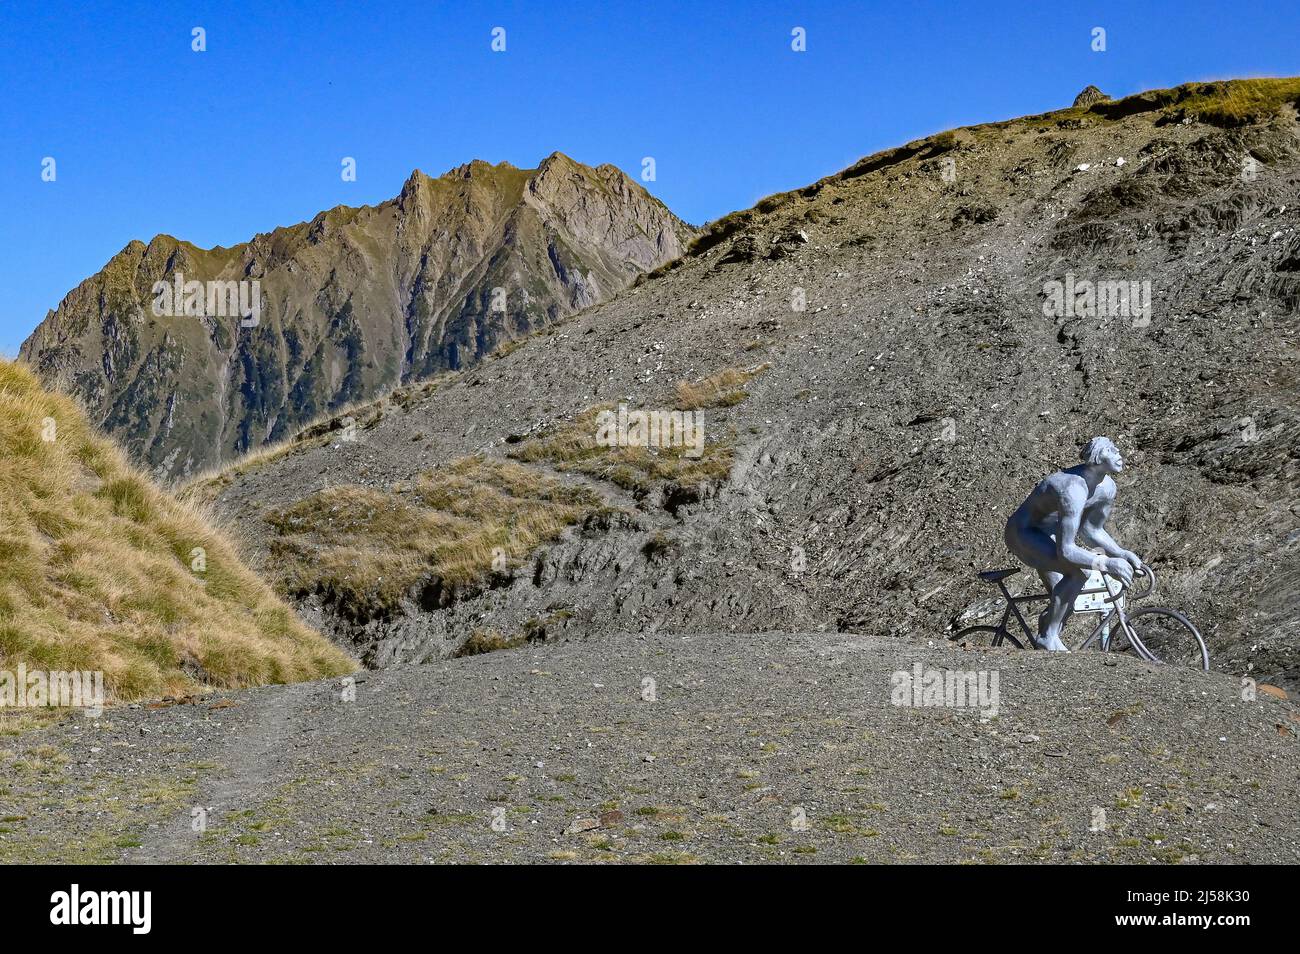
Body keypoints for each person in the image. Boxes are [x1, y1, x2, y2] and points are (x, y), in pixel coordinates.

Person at [1004, 437, 1143, 651]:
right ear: (1096, 458)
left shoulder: (1107, 487)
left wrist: (1121, 553)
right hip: (1023, 533)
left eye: (1117, 449)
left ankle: (1045, 646)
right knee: (1078, 574)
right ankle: (1047, 638)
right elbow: (1067, 550)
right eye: (1110, 450)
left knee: (1064, 602)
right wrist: (1107, 563)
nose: (1118, 453)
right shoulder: (1072, 489)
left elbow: (1091, 530)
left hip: (1047, 533)